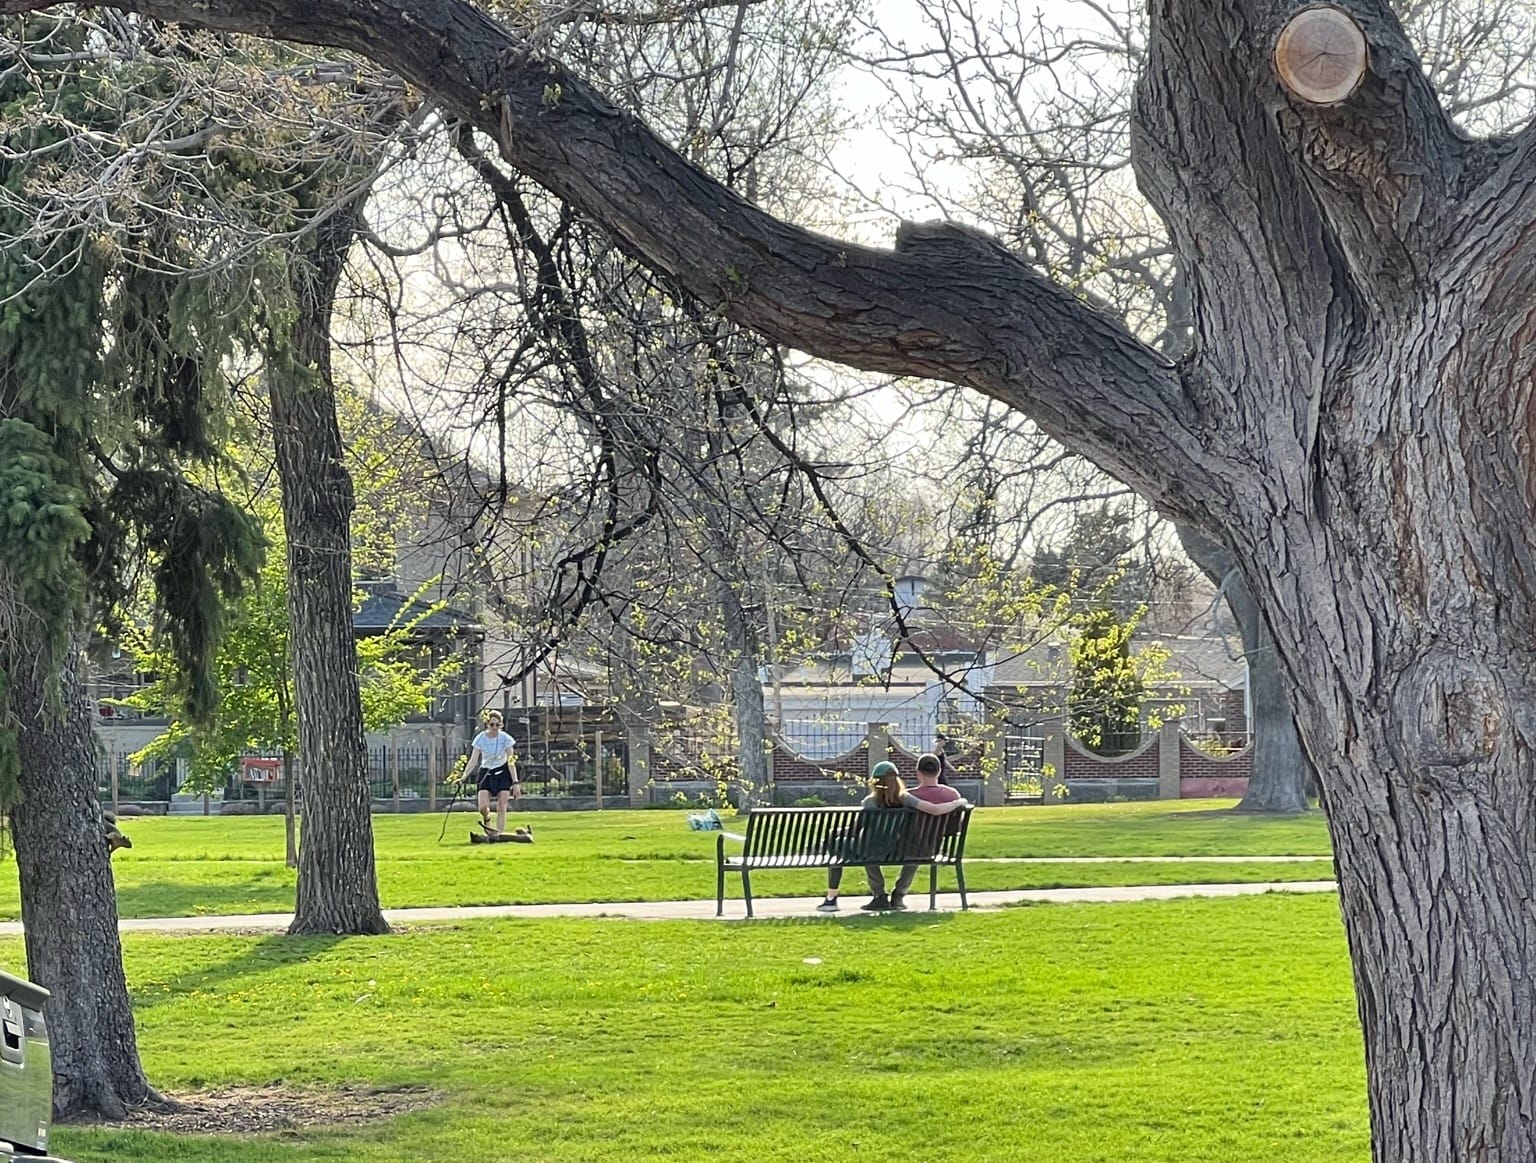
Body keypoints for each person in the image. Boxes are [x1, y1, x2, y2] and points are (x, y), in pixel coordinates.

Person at [816, 761, 968, 913]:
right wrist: (958, 802)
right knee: (863, 846)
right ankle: (893, 896)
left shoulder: (870, 802)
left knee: (837, 845)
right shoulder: (906, 799)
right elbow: (934, 809)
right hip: (895, 850)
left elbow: (856, 831)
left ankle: (836, 898)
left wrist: (835, 835)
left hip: (868, 850)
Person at [868, 752, 965, 910]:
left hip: (905, 848)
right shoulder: (953, 795)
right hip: (933, 848)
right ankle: (899, 895)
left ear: (918, 772)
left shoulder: (909, 796)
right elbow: (954, 829)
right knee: (919, 847)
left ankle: (881, 894)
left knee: (912, 845)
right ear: (939, 771)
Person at [465, 710, 519, 838]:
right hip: (486, 772)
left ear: (501, 725)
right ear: (487, 724)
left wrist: (515, 783)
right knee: (482, 806)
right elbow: (473, 760)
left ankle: (499, 834)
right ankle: (487, 818)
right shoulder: (480, 739)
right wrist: (464, 776)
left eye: (497, 725)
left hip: (502, 772)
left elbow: (511, 761)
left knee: (502, 805)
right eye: (492, 725)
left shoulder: (506, 739)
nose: (495, 728)